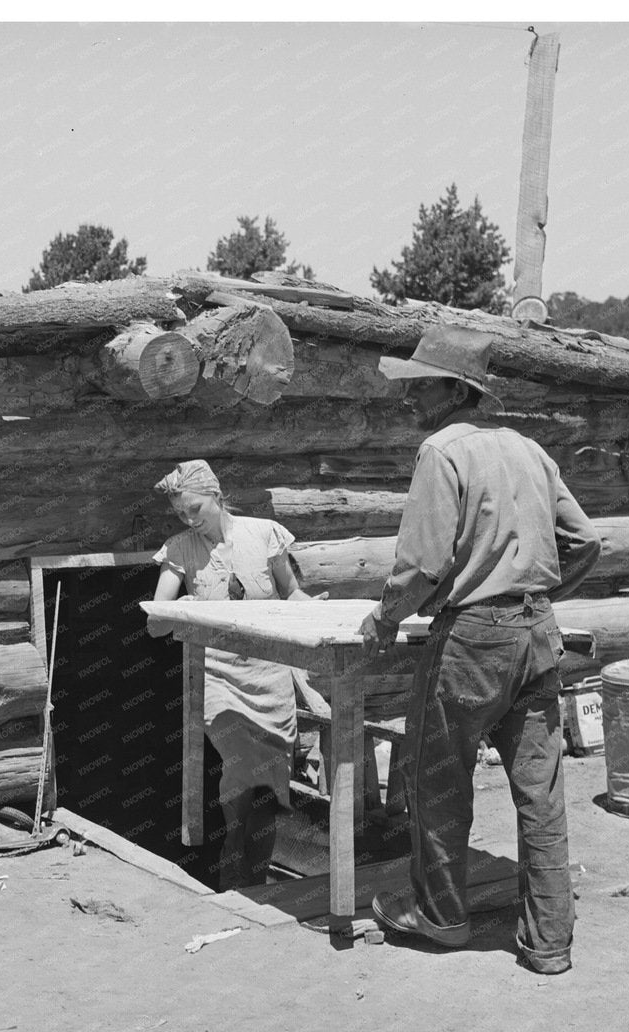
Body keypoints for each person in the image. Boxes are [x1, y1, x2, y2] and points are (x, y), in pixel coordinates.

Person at [359, 324, 601, 975]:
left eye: (418, 387)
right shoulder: (528, 449)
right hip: (537, 635)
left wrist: (383, 619)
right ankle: (550, 941)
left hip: (472, 640)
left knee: (435, 779)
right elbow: (585, 542)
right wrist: (541, 593)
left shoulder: (442, 453)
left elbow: (422, 564)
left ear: (451, 389)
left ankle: (440, 915)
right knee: (541, 790)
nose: (410, 400)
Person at [152, 459, 326, 890]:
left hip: (269, 676)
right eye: (180, 513)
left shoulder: (264, 534)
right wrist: (182, 608)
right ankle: (233, 852)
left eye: (195, 508)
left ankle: (253, 871)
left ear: (216, 495)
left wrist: (315, 608)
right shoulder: (179, 549)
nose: (189, 519)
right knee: (239, 762)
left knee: (269, 778)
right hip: (217, 676)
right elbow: (156, 621)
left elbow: (292, 594)